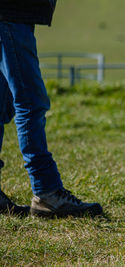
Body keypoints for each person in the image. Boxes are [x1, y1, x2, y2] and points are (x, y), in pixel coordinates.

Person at [0, 0, 103, 217]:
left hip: (14, 15)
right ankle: (46, 192)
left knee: (3, 105)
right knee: (30, 102)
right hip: (10, 15)